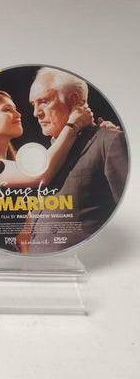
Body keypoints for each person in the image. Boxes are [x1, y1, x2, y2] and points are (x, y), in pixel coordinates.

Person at [0, 90, 94, 250]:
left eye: (15, 108)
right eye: (7, 109)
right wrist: (73, 125)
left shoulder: (10, 164)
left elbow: (26, 228)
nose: (18, 114)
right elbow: (40, 174)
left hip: (6, 256)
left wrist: (95, 135)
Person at [28, 67, 128, 252]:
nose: (36, 113)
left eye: (44, 101)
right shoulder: (46, 156)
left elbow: (129, 216)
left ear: (73, 100)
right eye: (33, 104)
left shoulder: (109, 141)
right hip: (38, 265)